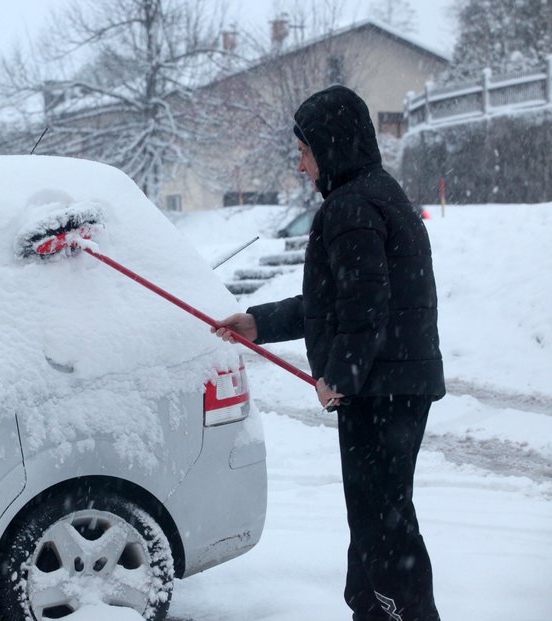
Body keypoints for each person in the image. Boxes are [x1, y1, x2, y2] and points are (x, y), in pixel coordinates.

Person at [212, 85, 444, 621]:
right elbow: (336, 301)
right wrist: (258, 322)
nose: (300, 165)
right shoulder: (375, 193)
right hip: (395, 385)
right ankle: (371, 608)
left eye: (304, 151)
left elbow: (366, 305)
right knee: (378, 517)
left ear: (331, 146)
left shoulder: (352, 206)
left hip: (380, 390)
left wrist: (340, 375)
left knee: (381, 522)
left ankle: (404, 612)